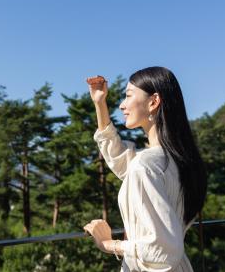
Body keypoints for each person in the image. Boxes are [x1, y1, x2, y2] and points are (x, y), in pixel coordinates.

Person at [83, 66, 207, 271]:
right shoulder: (176, 159)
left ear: (153, 101)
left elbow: (164, 251)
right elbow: (120, 158)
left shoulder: (146, 165)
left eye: (128, 96)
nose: (122, 105)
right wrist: (100, 104)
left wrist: (108, 244)